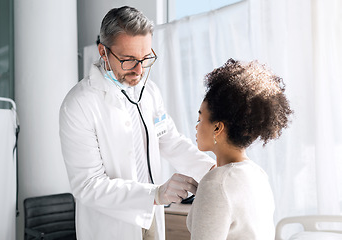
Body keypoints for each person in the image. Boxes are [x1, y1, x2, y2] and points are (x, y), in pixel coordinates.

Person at [59, 6, 215, 240]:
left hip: (151, 215)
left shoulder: (149, 92)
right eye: (128, 60)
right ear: (103, 52)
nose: (139, 70)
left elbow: (170, 141)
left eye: (145, 58)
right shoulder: (79, 104)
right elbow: (88, 185)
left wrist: (215, 172)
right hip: (111, 227)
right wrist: (156, 194)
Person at [186, 59, 293, 240]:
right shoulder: (258, 174)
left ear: (217, 128)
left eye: (200, 119)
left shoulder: (216, 183)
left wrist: (209, 190)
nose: (196, 127)